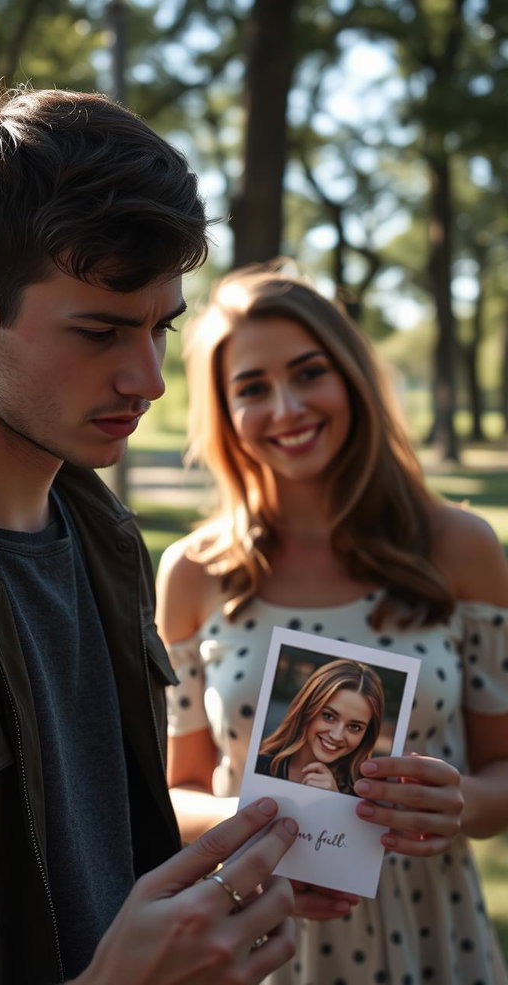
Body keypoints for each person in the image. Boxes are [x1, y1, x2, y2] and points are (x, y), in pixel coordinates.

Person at [0, 89, 299, 985]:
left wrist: (250, 850)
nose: (149, 379)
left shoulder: (109, 541)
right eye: (101, 330)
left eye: (159, 329)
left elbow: (92, 837)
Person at [156, 259, 508, 984]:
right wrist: (262, 821)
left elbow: (502, 774)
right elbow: (175, 792)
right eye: (252, 388)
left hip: (431, 936)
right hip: (256, 938)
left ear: (350, 375)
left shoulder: (463, 547)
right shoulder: (193, 572)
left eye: (308, 372)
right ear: (224, 412)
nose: (285, 406)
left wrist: (461, 799)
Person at [256, 659, 384, 795]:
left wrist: (333, 801)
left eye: (354, 727)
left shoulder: (366, 794)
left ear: (367, 734)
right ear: (306, 710)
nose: (337, 736)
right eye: (329, 716)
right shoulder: (257, 766)